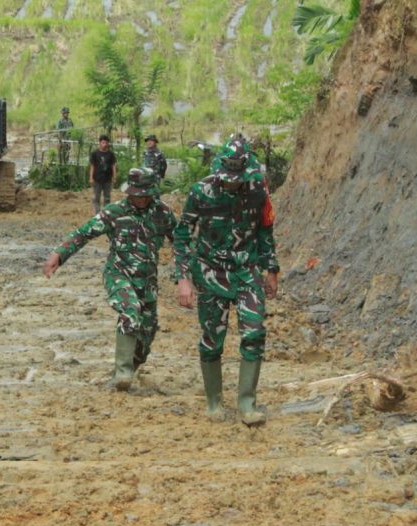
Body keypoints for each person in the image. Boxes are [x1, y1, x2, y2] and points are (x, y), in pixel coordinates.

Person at [173, 136, 279, 426]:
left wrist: (272, 270)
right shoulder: (201, 191)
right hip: (210, 271)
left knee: (254, 332)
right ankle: (214, 402)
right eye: (228, 179)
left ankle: (247, 404)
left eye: (237, 179)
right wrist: (183, 278)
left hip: (246, 271)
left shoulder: (258, 189)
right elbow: (182, 235)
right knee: (211, 339)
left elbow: (264, 231)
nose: (232, 183)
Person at [43, 168, 177, 391]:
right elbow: (84, 233)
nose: (141, 199)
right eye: (137, 194)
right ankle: (122, 375)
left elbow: (181, 241)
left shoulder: (163, 213)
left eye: (146, 194)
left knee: (147, 332)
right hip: (119, 274)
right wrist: (59, 254)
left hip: (148, 282)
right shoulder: (115, 212)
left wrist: (188, 273)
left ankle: (127, 369)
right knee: (130, 311)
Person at [88, 135, 117, 214]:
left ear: (108, 144)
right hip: (97, 179)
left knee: (107, 197)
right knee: (96, 198)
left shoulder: (111, 154)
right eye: (103, 142)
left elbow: (113, 165)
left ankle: (106, 213)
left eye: (106, 142)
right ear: (100, 143)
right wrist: (91, 178)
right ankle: (97, 213)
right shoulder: (94, 153)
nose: (104, 144)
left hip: (107, 179)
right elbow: (92, 166)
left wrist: (114, 176)